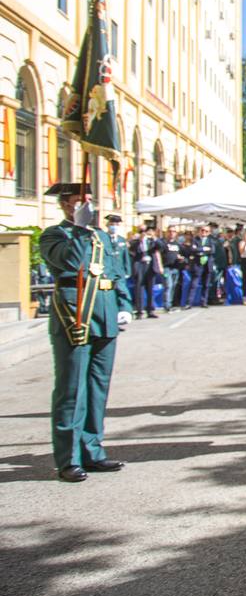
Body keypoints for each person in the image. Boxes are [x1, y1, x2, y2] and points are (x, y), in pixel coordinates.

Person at [39, 183, 134, 482]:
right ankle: (68, 458)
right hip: (75, 314)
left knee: (97, 387)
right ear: (66, 204)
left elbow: (115, 271)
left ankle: (92, 449)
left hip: (104, 313)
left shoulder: (102, 235)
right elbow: (71, 263)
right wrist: (78, 229)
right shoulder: (55, 235)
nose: (89, 207)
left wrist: (124, 302)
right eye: (82, 202)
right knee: (71, 389)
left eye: (91, 201)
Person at [162, 226, 182, 312]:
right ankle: (167, 305)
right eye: (170, 231)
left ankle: (171, 303)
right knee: (168, 286)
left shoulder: (177, 244)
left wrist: (181, 258)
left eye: (173, 231)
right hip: (166, 267)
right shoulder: (163, 243)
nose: (171, 233)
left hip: (175, 268)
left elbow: (181, 253)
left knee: (173, 286)